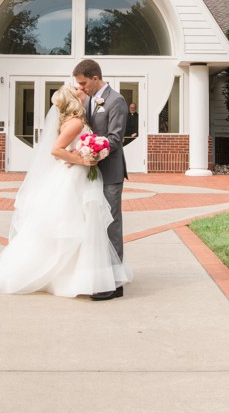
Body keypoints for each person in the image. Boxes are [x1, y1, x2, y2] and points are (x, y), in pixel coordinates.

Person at [0, 84, 131, 298]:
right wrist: (81, 158)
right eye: (77, 88)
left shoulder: (79, 118)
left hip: (81, 177)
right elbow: (56, 150)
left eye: (81, 85)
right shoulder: (76, 122)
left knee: (87, 226)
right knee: (77, 226)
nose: (81, 89)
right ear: (73, 98)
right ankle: (74, 275)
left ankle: (89, 274)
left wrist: (80, 153)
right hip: (74, 178)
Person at [73, 59, 128, 300]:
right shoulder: (90, 102)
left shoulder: (116, 101)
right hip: (93, 172)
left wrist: (91, 151)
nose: (81, 88)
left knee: (111, 225)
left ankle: (115, 283)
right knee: (95, 225)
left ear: (95, 78)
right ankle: (99, 275)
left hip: (111, 172)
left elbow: (115, 138)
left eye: (84, 83)